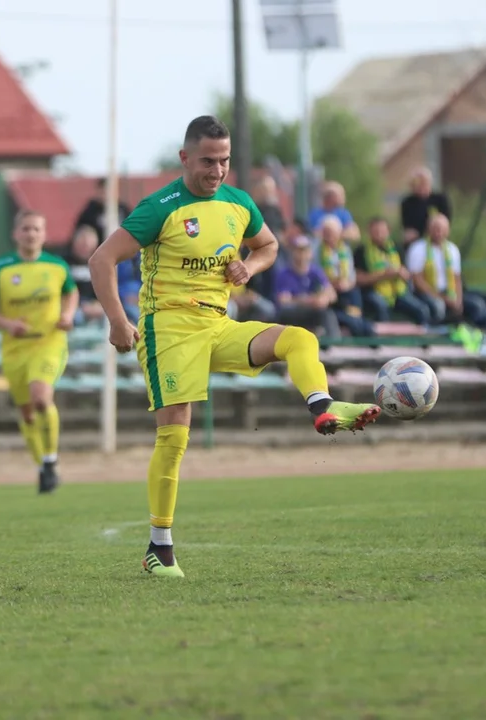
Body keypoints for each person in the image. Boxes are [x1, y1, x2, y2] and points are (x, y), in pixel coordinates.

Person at [88, 115, 380, 578]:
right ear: (185, 158)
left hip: (218, 323)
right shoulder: (160, 207)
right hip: (168, 328)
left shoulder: (239, 204)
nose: (218, 170)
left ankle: (322, 406)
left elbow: (268, 246)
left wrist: (250, 266)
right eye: (208, 161)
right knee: (176, 433)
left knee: (299, 338)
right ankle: (158, 549)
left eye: (224, 161)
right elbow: (101, 258)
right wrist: (118, 321)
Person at [0, 210, 77, 493]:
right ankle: (43, 468)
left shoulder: (58, 266)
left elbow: (71, 293)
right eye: (26, 229)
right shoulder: (0, 269)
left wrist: (68, 314)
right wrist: (8, 323)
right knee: (28, 413)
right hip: (15, 349)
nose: (31, 234)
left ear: (44, 234)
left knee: (41, 398)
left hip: (49, 342)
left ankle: (50, 459)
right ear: (16, 233)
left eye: (36, 229)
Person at [406, 214, 486, 332]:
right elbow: (417, 281)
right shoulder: (418, 249)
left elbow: (457, 278)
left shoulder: (452, 249)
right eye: (436, 228)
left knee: (478, 305)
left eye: (442, 229)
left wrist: (458, 300)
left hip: (449, 292)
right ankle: (436, 339)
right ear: (429, 229)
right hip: (427, 293)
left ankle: (473, 337)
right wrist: (443, 298)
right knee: (438, 306)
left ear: (447, 231)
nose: (439, 232)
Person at [355, 217, 429, 326]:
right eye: (376, 232)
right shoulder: (362, 251)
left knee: (422, 309)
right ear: (369, 232)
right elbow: (359, 279)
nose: (379, 234)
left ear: (388, 232)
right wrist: (384, 275)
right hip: (373, 291)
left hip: (398, 291)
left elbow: (407, 274)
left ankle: (423, 338)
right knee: (380, 306)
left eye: (382, 231)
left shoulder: (396, 249)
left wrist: (402, 273)